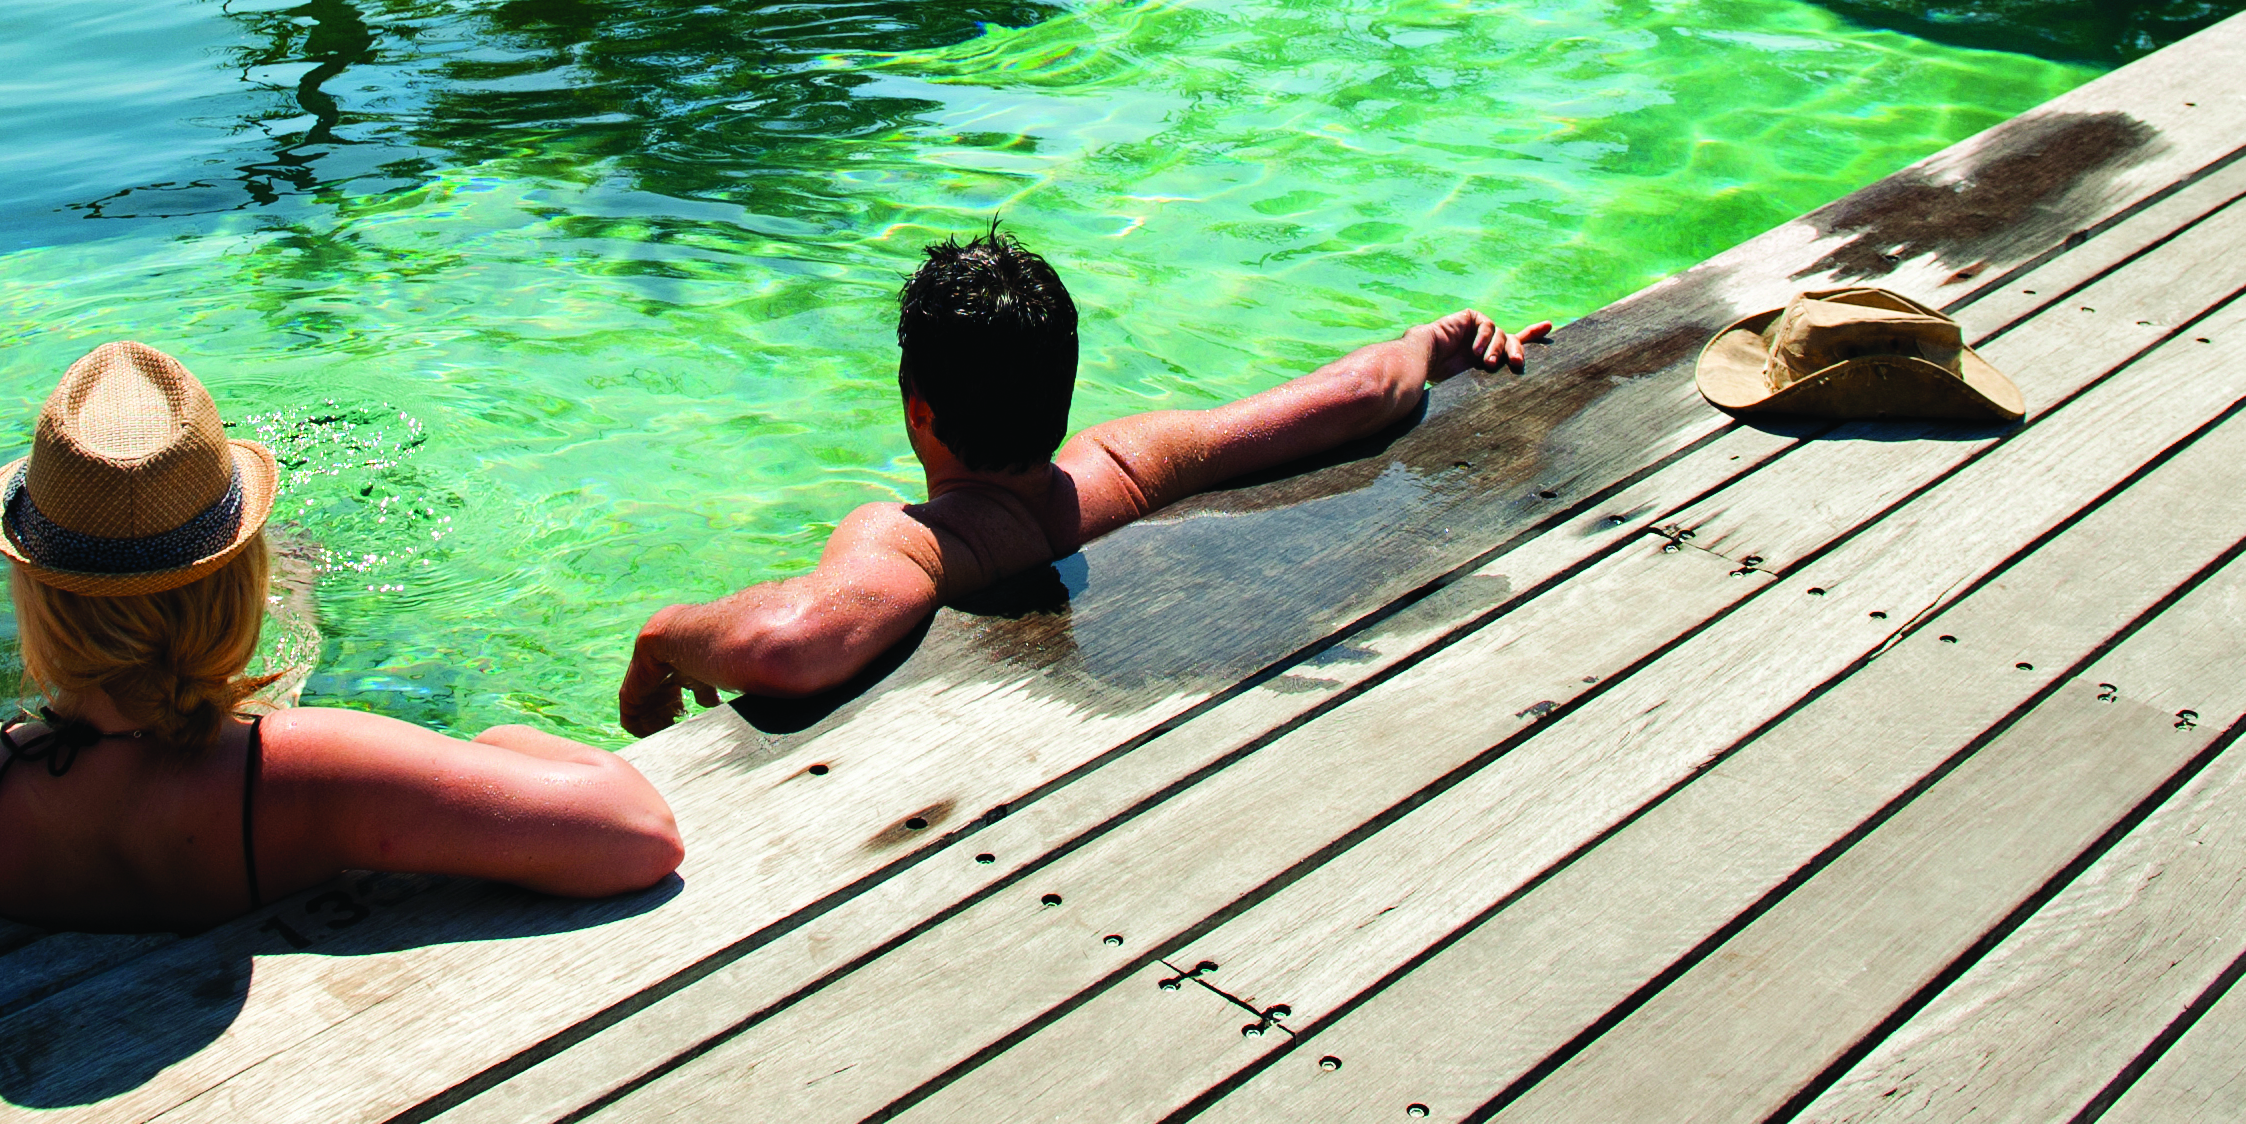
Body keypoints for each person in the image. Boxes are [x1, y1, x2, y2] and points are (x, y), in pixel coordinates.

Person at [0, 340, 681, 926]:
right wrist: (491, 753)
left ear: (30, 594)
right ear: (230, 584)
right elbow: (631, 833)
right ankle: (273, 607)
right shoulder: (324, 774)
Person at [616, 233, 1551, 734]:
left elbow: (788, 645)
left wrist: (661, 641)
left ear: (919, 411)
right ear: (1062, 391)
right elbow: (1349, 397)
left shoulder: (916, 543)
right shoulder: (1124, 462)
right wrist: (1431, 344)